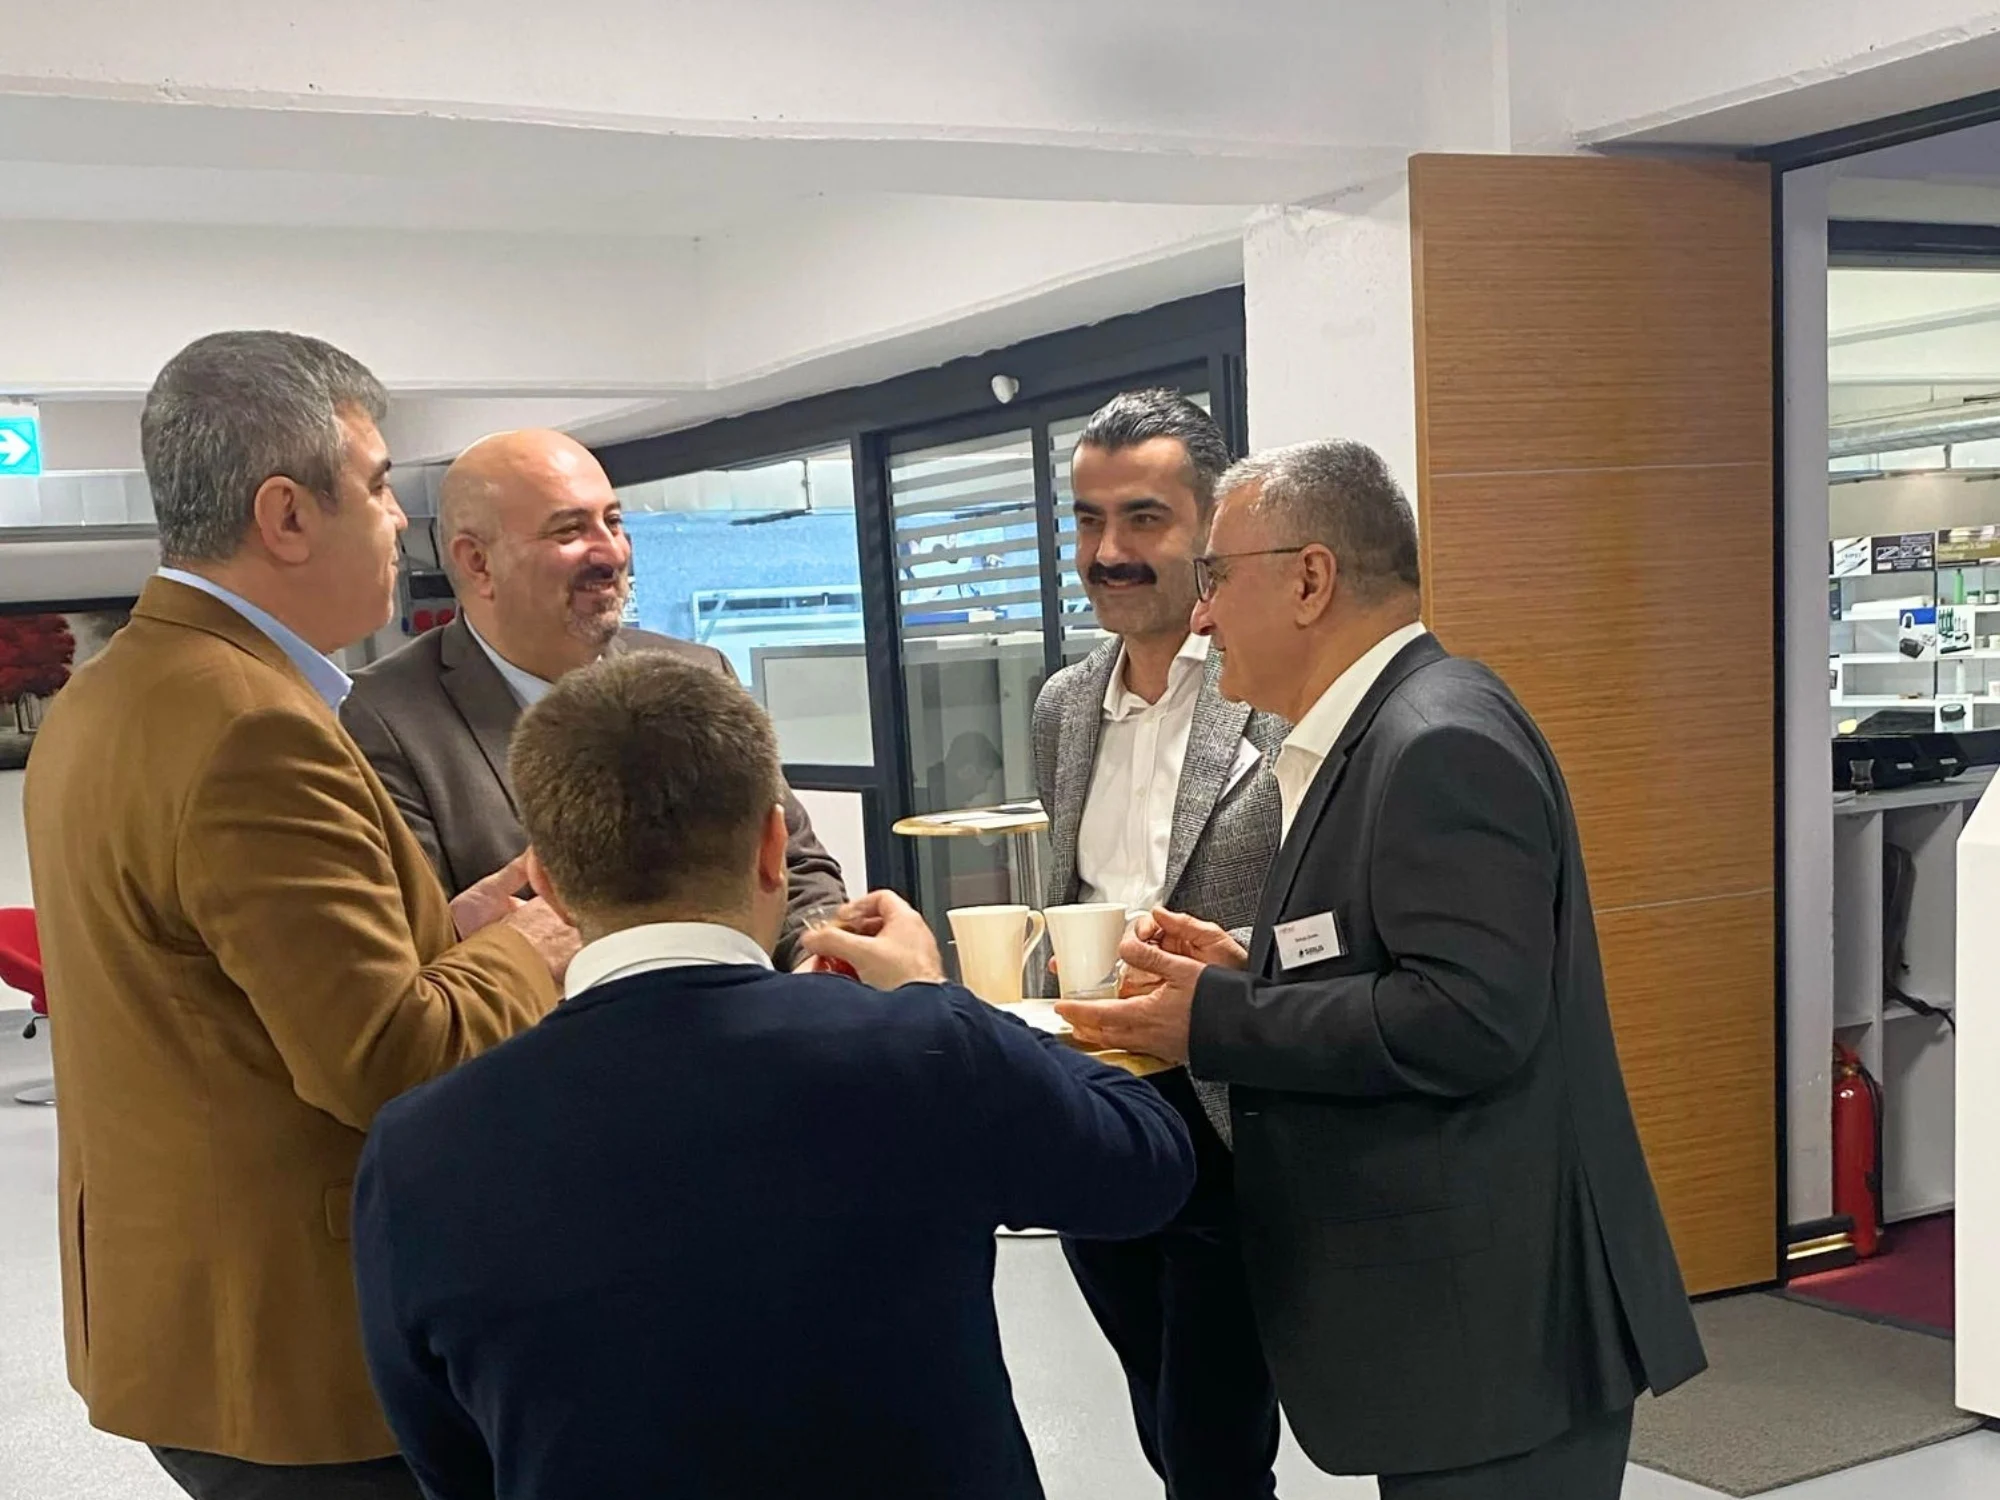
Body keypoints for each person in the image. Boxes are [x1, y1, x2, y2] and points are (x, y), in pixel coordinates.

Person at [351, 653, 1196, 1500]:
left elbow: (449, 1456)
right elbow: (1147, 1165)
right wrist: (938, 996)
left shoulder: (419, 1150)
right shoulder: (921, 1053)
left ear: (546, 882)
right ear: (771, 848)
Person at [1059, 440, 1707, 1499]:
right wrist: (1251, 967)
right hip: (1459, 1332)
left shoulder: (1434, 741)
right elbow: (1402, 957)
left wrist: (1217, 1019)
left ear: (1310, 580)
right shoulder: (1380, 732)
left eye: (1216, 576)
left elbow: (1469, 1017)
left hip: (1499, 1339)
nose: (1202, 616)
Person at [24, 331, 576, 1500]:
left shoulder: (112, 690)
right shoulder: (252, 725)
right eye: (377, 487)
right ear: (285, 515)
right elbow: (386, 1059)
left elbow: (217, 981)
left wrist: (447, 929)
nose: (397, 521)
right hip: (297, 1347)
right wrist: (527, 950)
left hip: (179, 1304)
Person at [1032, 389, 1285, 1499]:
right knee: (1153, 1398)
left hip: (1224, 1103)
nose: (1108, 552)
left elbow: (1326, 902)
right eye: (1088, 521)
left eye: (1143, 518)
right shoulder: (1061, 705)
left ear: (1211, 526)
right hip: (1091, 1099)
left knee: (1212, 1434)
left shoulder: (1272, 694)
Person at [340, 428, 844, 971]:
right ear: (478, 562)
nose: (611, 552)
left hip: (741, 1012)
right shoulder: (379, 719)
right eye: (570, 529)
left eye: (614, 521)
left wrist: (822, 959)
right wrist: (484, 941)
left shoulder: (697, 672)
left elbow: (793, 866)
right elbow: (398, 953)